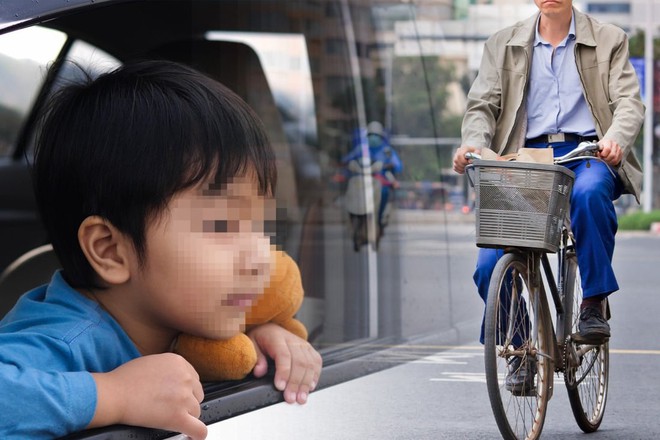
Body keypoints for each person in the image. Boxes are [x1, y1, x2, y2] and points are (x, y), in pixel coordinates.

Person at [0, 60, 322, 439]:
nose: (259, 258)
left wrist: (262, 340)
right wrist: (114, 395)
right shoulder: (66, 339)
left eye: (264, 228)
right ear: (111, 251)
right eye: (222, 226)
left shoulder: (172, 311)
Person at [452, 0, 644, 391]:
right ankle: (520, 345)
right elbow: (482, 106)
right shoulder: (502, 44)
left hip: (585, 153)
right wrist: (472, 144)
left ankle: (593, 304)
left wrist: (615, 140)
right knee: (489, 264)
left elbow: (628, 103)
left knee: (591, 194)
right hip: (523, 159)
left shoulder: (610, 39)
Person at [342, 121, 403, 235]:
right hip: (362, 180)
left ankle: (379, 219)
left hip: (380, 181)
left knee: (384, 193)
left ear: (381, 137)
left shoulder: (387, 151)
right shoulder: (361, 149)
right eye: (371, 135)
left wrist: (389, 166)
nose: (373, 137)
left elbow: (398, 165)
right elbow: (346, 160)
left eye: (376, 135)